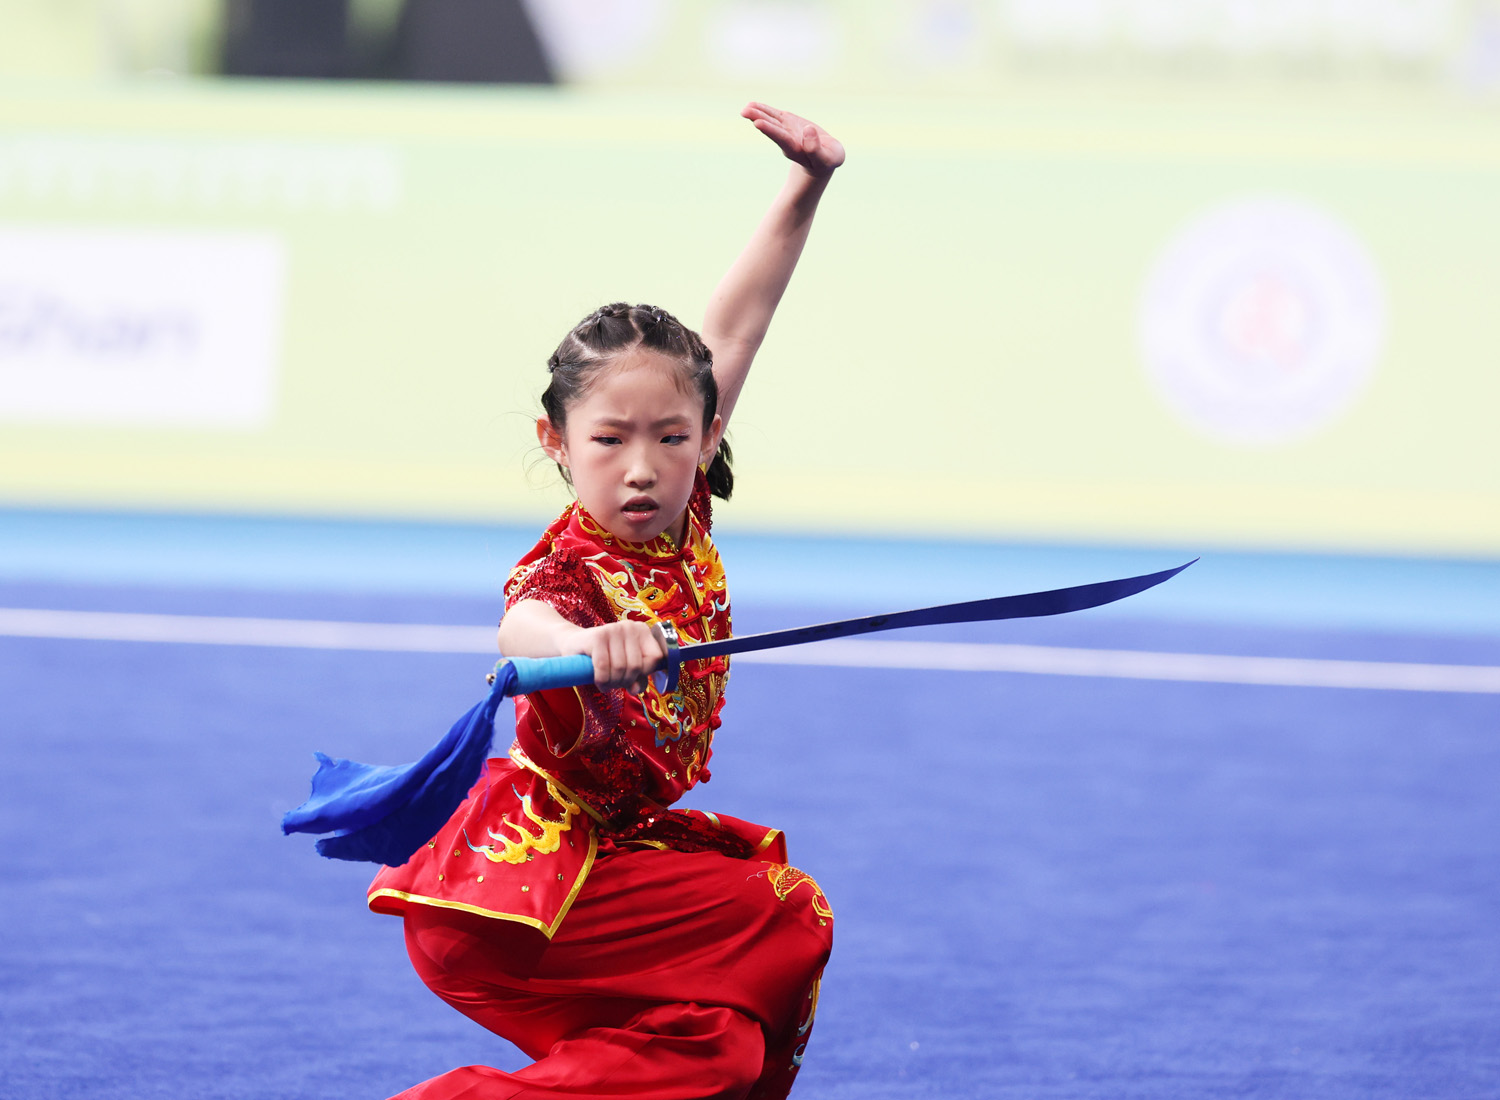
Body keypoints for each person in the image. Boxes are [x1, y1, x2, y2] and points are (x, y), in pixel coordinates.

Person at [367, 103, 845, 1100]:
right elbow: (522, 625)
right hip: (526, 901)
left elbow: (735, 326)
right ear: (555, 440)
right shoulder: (569, 570)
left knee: (719, 1048)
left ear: (707, 435)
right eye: (609, 440)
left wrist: (808, 184)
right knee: (783, 910)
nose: (642, 467)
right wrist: (588, 644)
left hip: (612, 865)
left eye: (671, 437)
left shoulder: (685, 503)